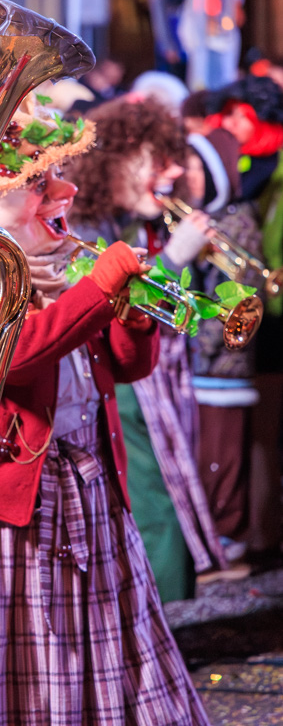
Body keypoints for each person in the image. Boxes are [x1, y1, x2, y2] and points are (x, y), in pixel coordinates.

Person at [0, 92, 209, 726]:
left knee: (114, 651)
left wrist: (136, 318)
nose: (64, 191)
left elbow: (125, 368)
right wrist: (99, 288)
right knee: (32, 667)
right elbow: (12, 355)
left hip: (92, 484)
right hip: (22, 505)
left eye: (59, 175)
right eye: (37, 182)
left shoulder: (65, 263)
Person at [68, 96, 225, 601]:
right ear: (120, 157)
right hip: (110, 386)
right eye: (159, 159)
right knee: (150, 489)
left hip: (137, 379)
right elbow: (114, 304)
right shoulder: (87, 225)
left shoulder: (126, 219)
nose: (175, 170)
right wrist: (175, 260)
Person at [180, 129, 262, 559]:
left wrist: (198, 345)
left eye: (197, 168)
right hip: (199, 364)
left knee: (221, 459)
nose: (188, 176)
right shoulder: (200, 217)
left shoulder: (237, 221)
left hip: (222, 367)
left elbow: (238, 296)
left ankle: (226, 539)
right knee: (204, 457)